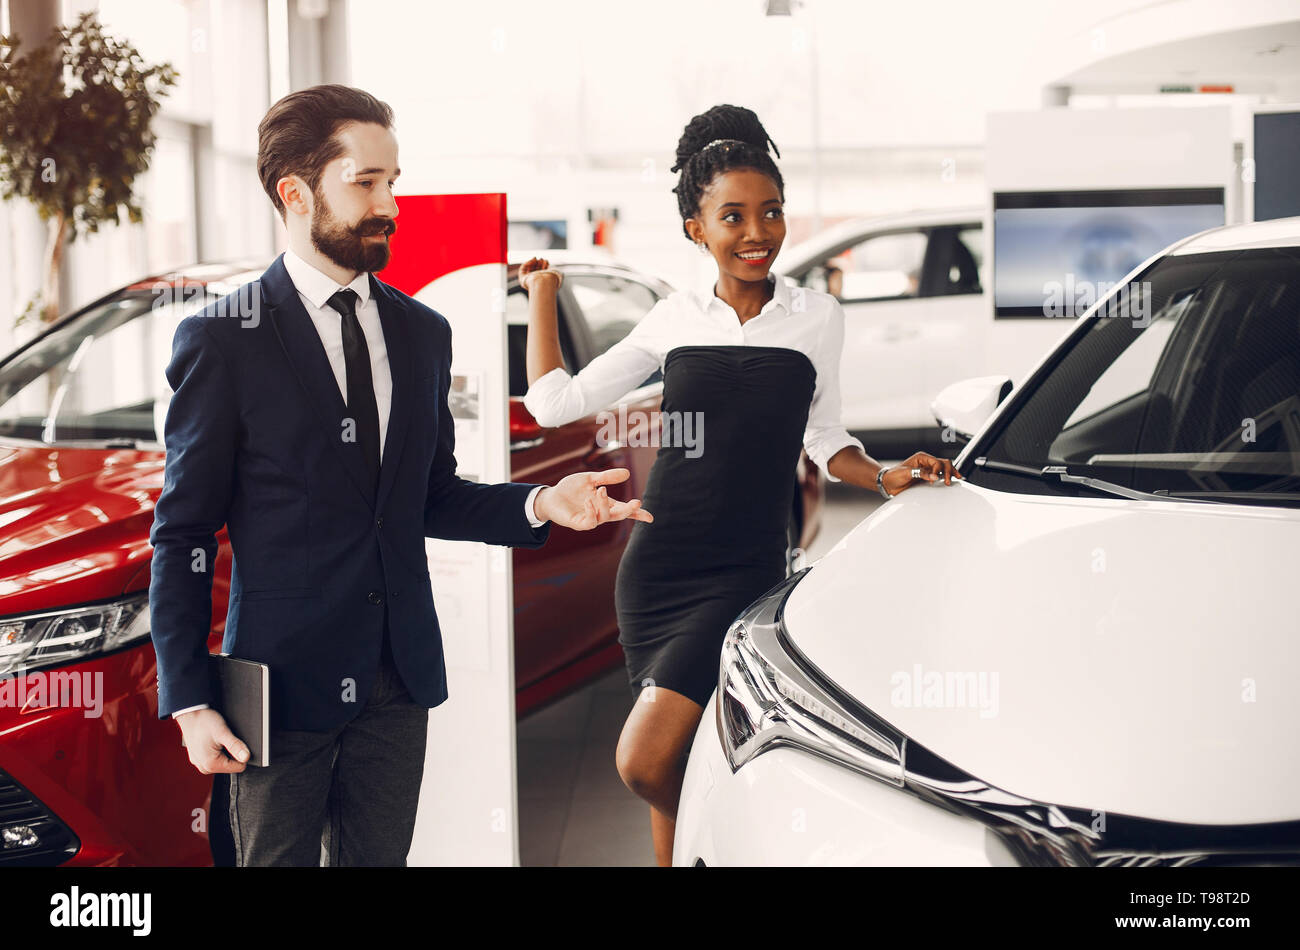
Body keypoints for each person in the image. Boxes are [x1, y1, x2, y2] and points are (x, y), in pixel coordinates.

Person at [148, 84, 651, 867]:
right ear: (295, 192)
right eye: (366, 182)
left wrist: (545, 500)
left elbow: (429, 496)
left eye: (394, 181)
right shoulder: (223, 341)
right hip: (280, 686)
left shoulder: (422, 334)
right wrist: (187, 701)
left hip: (397, 676)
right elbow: (181, 533)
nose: (390, 202)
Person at [520, 104, 960, 866]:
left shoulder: (816, 317)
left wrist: (885, 475)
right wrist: (543, 297)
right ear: (697, 228)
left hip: (747, 570)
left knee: (646, 762)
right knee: (676, 750)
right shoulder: (673, 319)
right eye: (733, 216)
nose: (757, 233)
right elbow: (554, 402)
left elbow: (826, 439)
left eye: (772, 213)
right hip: (657, 570)